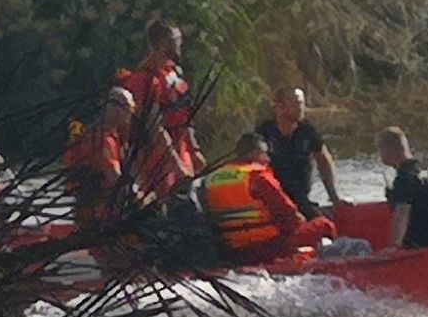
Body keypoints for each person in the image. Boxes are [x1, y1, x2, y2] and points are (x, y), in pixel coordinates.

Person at [202, 133, 337, 264]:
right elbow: (289, 214)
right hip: (268, 246)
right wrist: (302, 224)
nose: (268, 159)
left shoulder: (210, 179)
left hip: (233, 250)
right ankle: (334, 262)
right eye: (264, 153)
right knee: (324, 224)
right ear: (252, 154)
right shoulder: (256, 175)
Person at [117, 21, 204, 198]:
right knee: (166, 204)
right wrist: (175, 163)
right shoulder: (145, 78)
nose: (180, 43)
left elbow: (185, 114)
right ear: (163, 43)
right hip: (157, 156)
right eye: (175, 40)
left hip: (182, 147)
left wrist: (194, 150)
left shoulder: (174, 72)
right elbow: (153, 126)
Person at [254, 87, 347, 219]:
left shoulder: (307, 131)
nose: (302, 108)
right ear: (280, 107)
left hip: (301, 198)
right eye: (297, 103)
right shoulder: (264, 132)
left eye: (303, 103)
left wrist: (334, 197)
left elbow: (324, 161)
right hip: (273, 200)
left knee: (325, 224)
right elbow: (251, 166)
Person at [62, 87, 139, 228]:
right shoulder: (103, 140)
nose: (130, 116)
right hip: (99, 213)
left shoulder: (108, 135)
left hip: (95, 208)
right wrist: (140, 197)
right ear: (118, 109)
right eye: (130, 110)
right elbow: (115, 179)